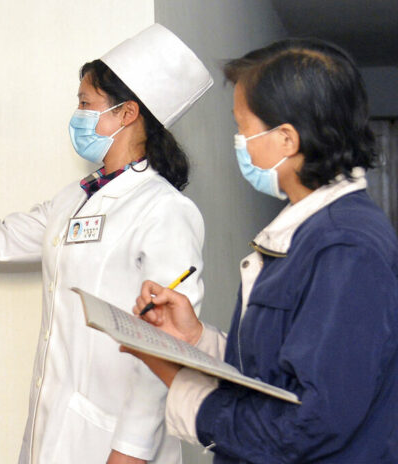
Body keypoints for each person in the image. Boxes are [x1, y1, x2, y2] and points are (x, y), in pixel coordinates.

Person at [0, 24, 212, 464]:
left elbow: (165, 344)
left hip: (117, 443)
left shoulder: (164, 210)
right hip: (53, 429)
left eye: (85, 103)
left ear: (127, 113)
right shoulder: (75, 198)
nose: (76, 114)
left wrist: (131, 451)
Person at [124, 38, 398, 463]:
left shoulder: (346, 246)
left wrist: (175, 379)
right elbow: (278, 371)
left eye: (243, 129)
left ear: (286, 139)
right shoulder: (308, 230)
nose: (240, 142)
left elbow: (313, 424)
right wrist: (194, 338)